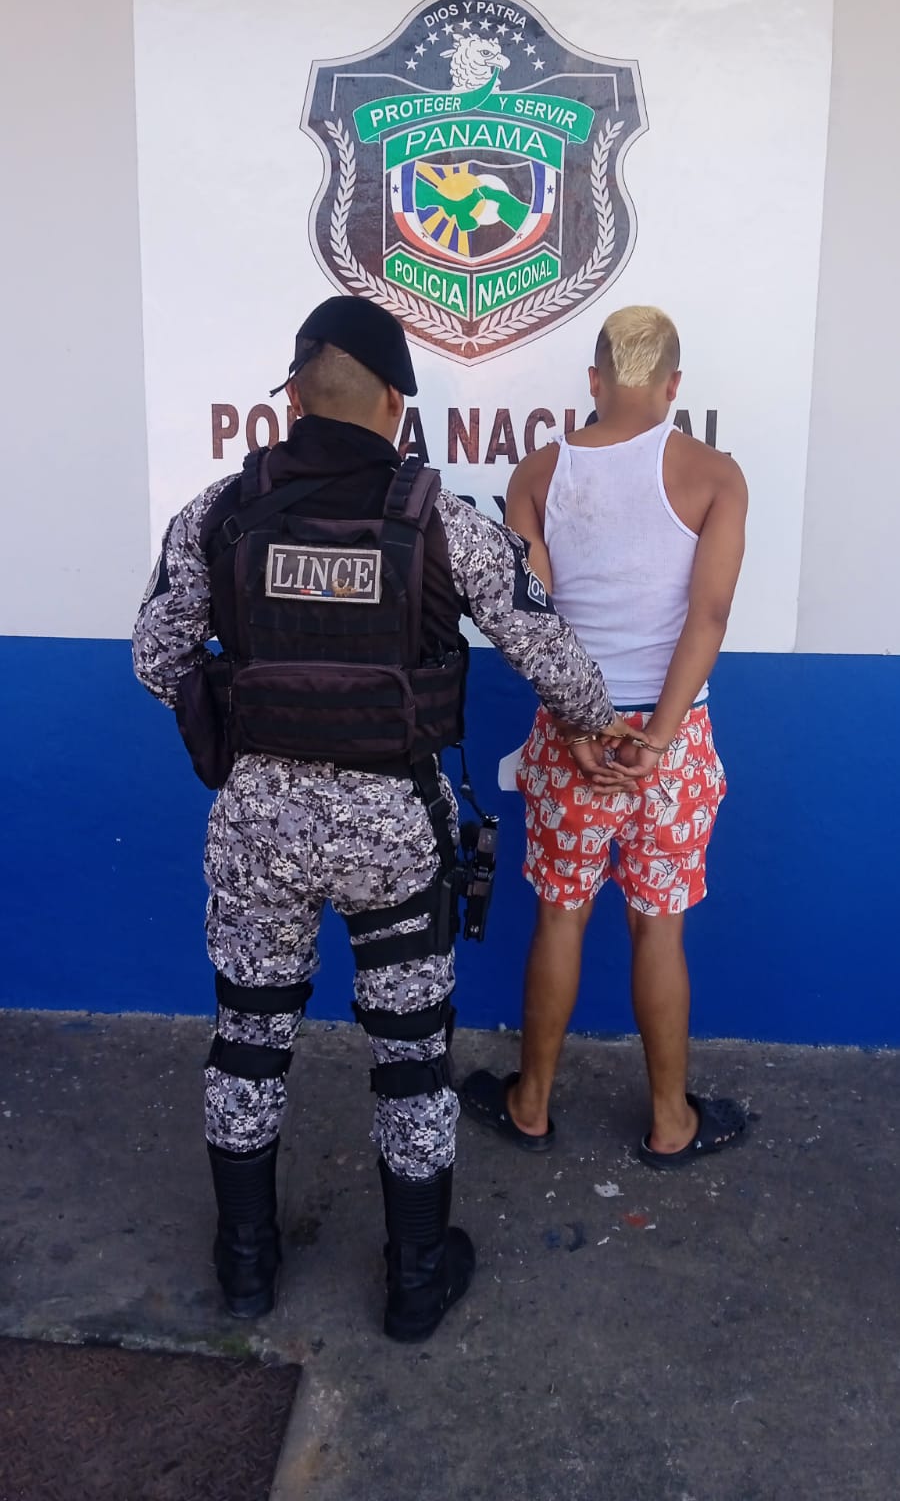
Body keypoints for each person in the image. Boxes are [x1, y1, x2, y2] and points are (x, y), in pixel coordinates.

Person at [132, 295, 646, 1341]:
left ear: (294, 398)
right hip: (394, 836)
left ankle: (245, 1265)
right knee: (410, 1056)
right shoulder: (437, 519)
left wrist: (230, 727)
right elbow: (546, 649)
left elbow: (155, 657)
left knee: (249, 1039)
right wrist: (596, 724)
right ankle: (415, 1280)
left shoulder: (219, 513)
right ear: (396, 406)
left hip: (261, 827)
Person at [460, 305, 749, 1168]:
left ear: (594, 379)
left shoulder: (538, 474)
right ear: (673, 386)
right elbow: (710, 615)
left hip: (571, 739)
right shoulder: (715, 476)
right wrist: (656, 740)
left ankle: (531, 1105)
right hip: (673, 741)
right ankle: (670, 1122)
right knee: (660, 930)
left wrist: (577, 720)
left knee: (561, 917)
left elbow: (533, 622)